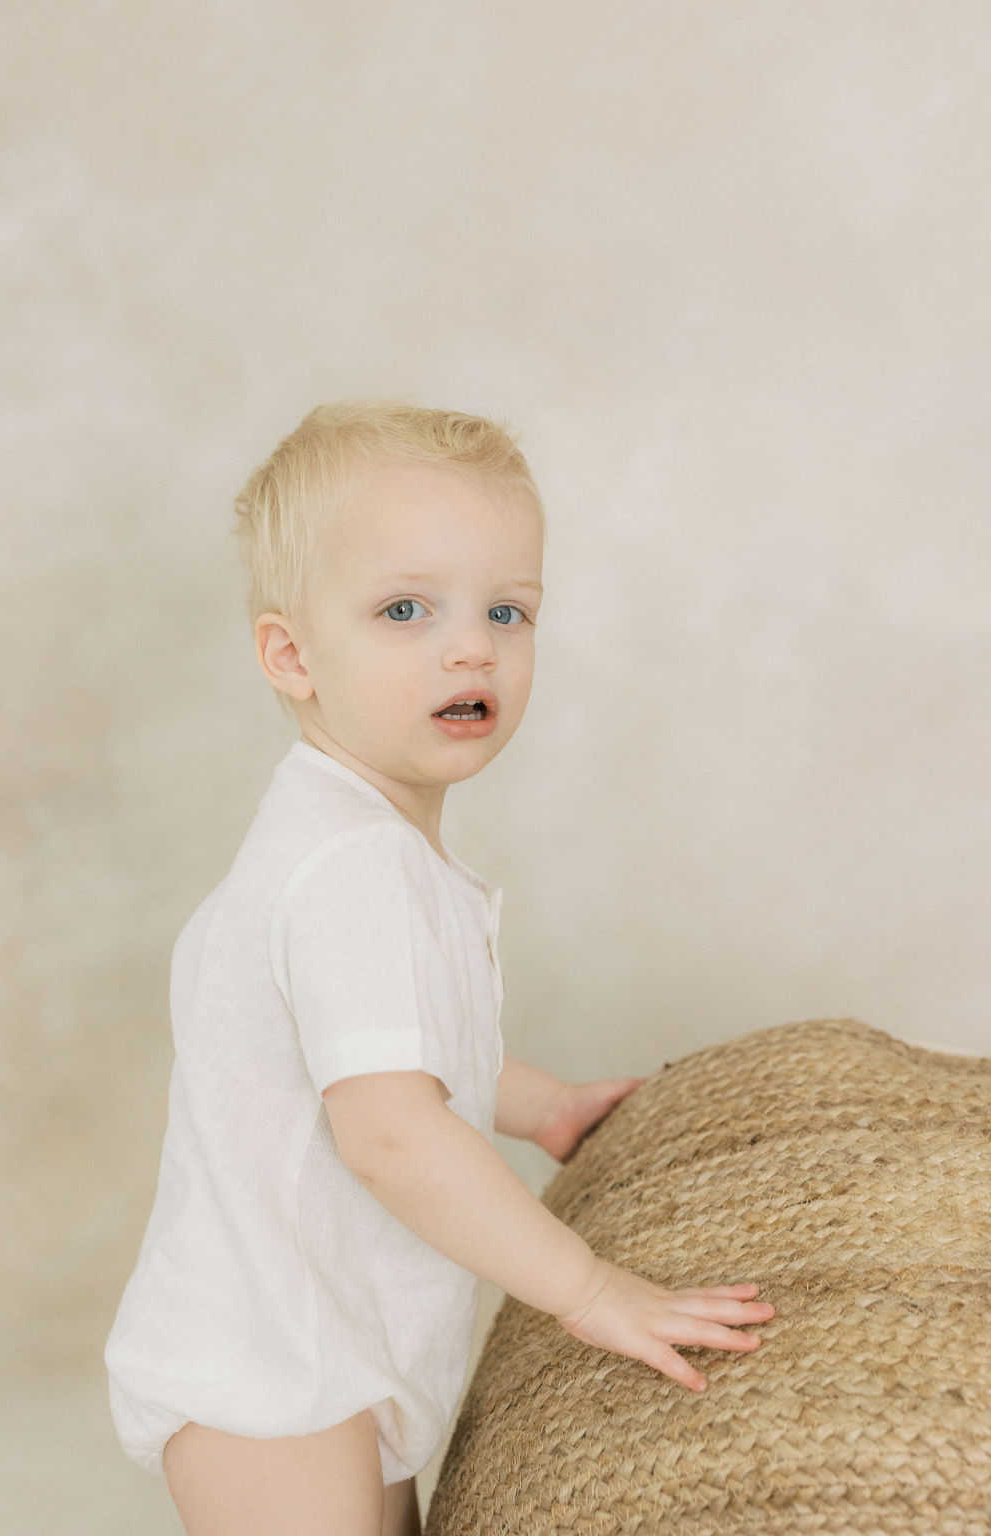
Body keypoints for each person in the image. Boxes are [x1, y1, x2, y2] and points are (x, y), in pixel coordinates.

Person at [105, 401, 774, 1536]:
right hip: (273, 1368)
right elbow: (390, 1134)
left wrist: (544, 1102)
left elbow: (404, 1052)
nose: (471, 646)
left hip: (336, 1340)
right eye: (404, 609)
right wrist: (586, 1289)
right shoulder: (349, 866)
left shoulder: (369, 843)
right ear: (291, 655)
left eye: (505, 611)